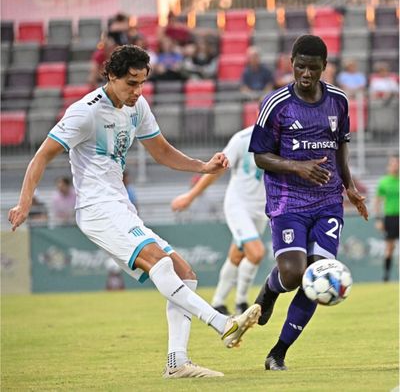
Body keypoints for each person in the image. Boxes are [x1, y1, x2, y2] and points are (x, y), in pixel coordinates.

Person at [8, 44, 261, 379]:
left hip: (120, 205)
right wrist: (25, 202)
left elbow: (161, 151)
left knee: (185, 274)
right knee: (161, 262)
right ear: (111, 76)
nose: (137, 91)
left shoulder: (136, 105)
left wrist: (203, 167)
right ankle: (223, 324)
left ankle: (177, 363)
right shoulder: (85, 112)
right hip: (97, 207)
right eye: (131, 83)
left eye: (142, 83)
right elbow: (41, 156)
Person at [248, 35, 368, 371]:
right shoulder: (276, 104)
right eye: (300, 66)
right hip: (288, 201)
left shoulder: (339, 102)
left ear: (323, 68)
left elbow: (340, 145)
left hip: (329, 201)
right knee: (293, 272)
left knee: (319, 278)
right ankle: (271, 290)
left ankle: (278, 353)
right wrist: (297, 166)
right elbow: (260, 156)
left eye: (313, 68)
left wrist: (350, 187)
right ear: (291, 64)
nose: (305, 73)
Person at [171, 126, 267, 315]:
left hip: (262, 209)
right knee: (256, 253)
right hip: (239, 205)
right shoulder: (242, 138)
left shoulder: (285, 137)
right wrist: (191, 196)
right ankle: (241, 303)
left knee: (237, 255)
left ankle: (218, 303)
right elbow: (217, 169)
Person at [374, 155, 399, 282]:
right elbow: (377, 201)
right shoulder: (384, 182)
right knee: (389, 247)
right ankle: (386, 276)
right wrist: (378, 219)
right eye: (393, 163)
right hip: (391, 217)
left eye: (397, 163)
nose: (396, 166)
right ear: (389, 166)